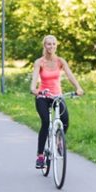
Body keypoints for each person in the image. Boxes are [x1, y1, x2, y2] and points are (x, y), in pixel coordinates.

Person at [30, 35, 84, 169]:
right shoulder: (39, 62)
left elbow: (70, 75)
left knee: (65, 120)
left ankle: (59, 141)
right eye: (49, 44)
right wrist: (35, 90)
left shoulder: (60, 61)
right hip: (43, 96)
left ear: (56, 46)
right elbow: (34, 81)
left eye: (54, 44)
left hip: (57, 96)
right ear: (44, 46)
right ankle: (40, 156)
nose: (51, 47)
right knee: (46, 122)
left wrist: (78, 87)